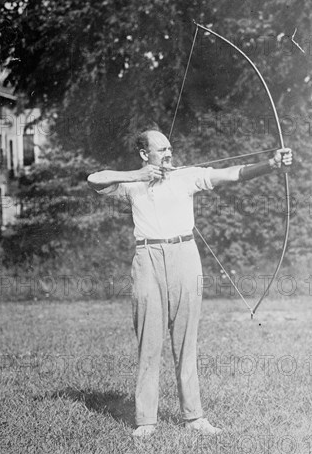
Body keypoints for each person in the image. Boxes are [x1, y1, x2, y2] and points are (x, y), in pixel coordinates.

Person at [87, 126, 293, 437]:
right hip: (147, 259)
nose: (169, 153)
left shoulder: (185, 175)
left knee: (186, 341)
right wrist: (138, 175)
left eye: (170, 147)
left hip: (184, 255)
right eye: (161, 150)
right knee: (149, 340)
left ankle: (194, 417)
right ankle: (146, 421)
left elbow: (233, 173)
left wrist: (272, 164)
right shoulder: (132, 184)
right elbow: (94, 179)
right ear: (145, 154)